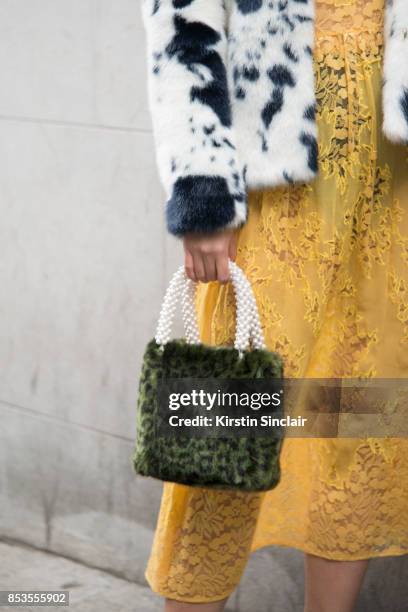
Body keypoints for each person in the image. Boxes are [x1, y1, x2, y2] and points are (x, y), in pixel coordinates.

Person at [142, 1, 408, 610]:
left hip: (391, 163)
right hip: (276, 156)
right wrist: (203, 189)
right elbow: (183, 30)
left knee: (360, 407)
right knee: (238, 415)